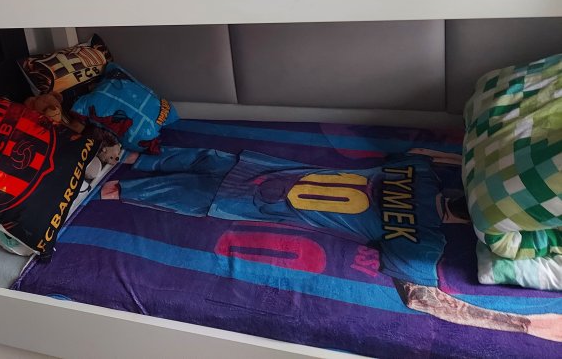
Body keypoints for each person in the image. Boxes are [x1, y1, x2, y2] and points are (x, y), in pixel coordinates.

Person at [102, 146, 561, 341]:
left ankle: (119, 183)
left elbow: (422, 299)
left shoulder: (421, 222)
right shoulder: (421, 225)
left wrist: (520, 324)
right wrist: (520, 324)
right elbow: (425, 299)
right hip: (270, 177)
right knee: (212, 167)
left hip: (268, 194)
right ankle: (132, 161)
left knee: (201, 188)